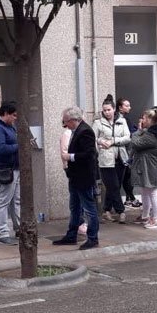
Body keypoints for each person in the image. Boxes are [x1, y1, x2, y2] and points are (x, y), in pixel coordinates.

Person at [53, 106, 100, 249]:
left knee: (89, 208)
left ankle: (93, 238)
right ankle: (71, 235)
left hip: (84, 177)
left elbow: (89, 154)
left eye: (66, 121)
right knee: (75, 208)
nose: (65, 124)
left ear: (73, 120)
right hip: (75, 177)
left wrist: (70, 157)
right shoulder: (76, 130)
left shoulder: (85, 131)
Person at [129, 108, 157, 229]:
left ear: (150, 120)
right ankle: (145, 216)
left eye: (144, 118)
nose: (142, 120)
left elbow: (136, 143)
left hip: (151, 167)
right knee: (145, 190)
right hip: (150, 166)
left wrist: (138, 131)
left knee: (153, 192)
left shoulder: (152, 135)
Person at [0, 101, 21, 245]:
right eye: (14, 115)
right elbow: (0, 149)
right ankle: (2, 233)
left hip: (14, 169)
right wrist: (19, 146)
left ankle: (20, 229)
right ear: (6, 113)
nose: (15, 118)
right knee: (3, 202)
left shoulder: (9, 127)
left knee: (17, 201)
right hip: (4, 170)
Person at [93, 95, 130, 224]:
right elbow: (92, 138)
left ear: (114, 109)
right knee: (112, 185)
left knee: (115, 186)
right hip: (106, 158)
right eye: (104, 110)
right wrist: (100, 141)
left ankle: (106, 210)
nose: (107, 112)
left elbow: (127, 137)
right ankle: (121, 211)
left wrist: (113, 141)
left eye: (109, 109)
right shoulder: (98, 123)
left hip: (120, 157)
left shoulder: (122, 121)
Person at [116, 97, 141, 208]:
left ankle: (129, 198)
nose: (129, 107)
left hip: (127, 151)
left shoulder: (126, 119)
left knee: (127, 176)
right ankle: (128, 199)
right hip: (122, 151)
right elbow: (130, 134)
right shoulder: (119, 119)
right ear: (120, 107)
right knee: (123, 177)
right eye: (126, 105)